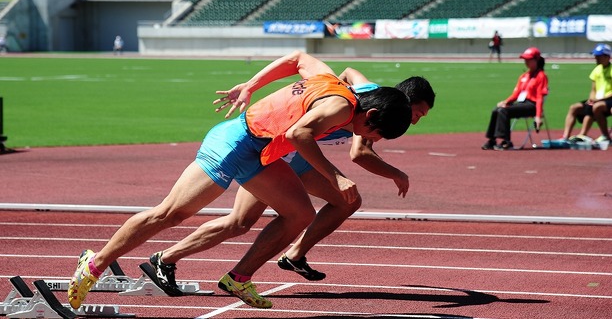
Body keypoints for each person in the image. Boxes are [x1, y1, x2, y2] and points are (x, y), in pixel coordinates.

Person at [68, 51, 412, 310]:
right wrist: (336, 176)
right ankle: (94, 263)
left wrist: (252, 84)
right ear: (369, 115)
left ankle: (239, 278)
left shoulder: (332, 81)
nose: (373, 141)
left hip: (263, 154)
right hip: (235, 143)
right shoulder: (340, 106)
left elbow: (298, 57)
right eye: (376, 133)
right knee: (171, 214)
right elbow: (298, 134)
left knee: (300, 214)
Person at [144, 71, 434, 299]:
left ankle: (294, 255)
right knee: (240, 222)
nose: (415, 122)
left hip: (299, 157)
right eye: (416, 114)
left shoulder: (371, 93)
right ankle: (165, 258)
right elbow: (359, 154)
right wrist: (397, 173)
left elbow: (349, 71)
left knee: (347, 201)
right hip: (276, 152)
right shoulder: (372, 113)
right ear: (402, 102)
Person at [482, 47, 548, 150]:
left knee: (503, 111)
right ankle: (492, 140)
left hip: (532, 106)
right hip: (521, 103)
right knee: (497, 109)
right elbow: (516, 94)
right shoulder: (524, 76)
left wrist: (538, 116)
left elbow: (540, 97)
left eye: (529, 59)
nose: (526, 62)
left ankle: (506, 141)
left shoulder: (541, 76)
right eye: (525, 59)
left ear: (536, 60)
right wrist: (506, 102)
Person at [559, 43, 612, 143]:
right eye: (595, 55)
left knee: (597, 106)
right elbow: (593, 89)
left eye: (598, 56)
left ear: (607, 56)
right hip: (597, 99)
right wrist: (591, 99)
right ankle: (565, 137)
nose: (595, 58)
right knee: (574, 107)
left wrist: (598, 100)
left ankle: (604, 136)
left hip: (608, 99)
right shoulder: (597, 70)